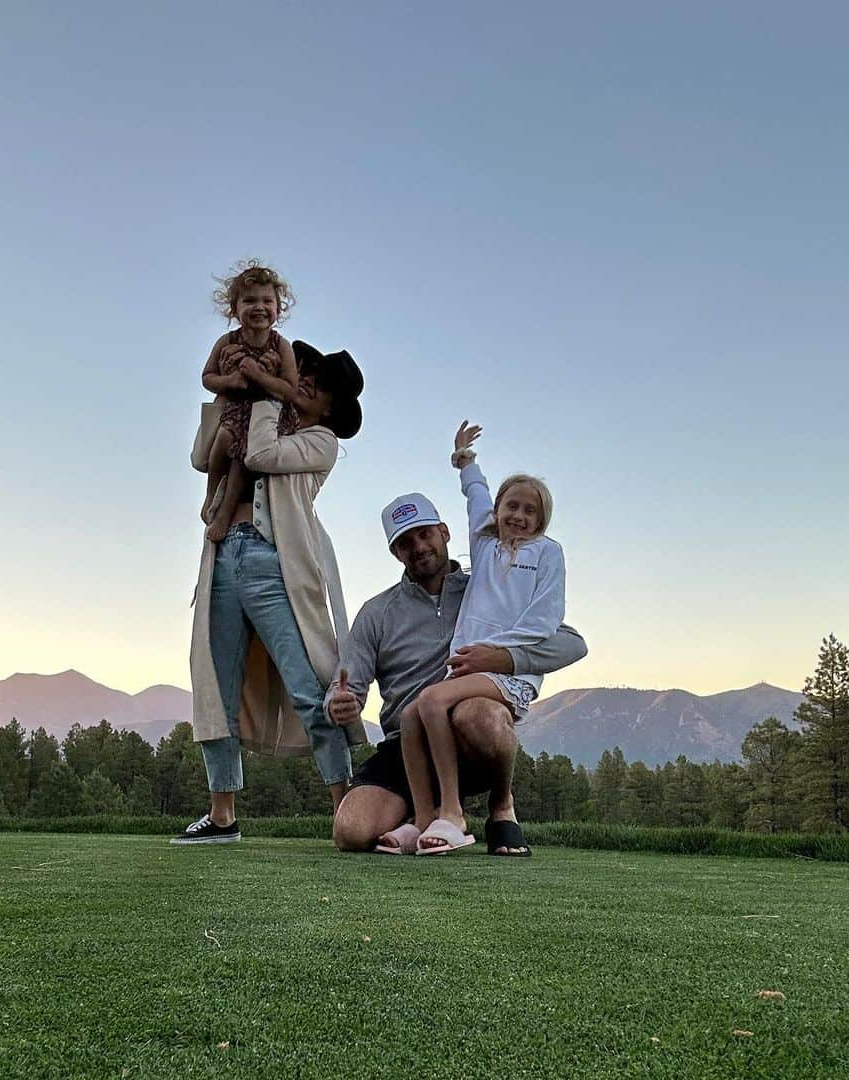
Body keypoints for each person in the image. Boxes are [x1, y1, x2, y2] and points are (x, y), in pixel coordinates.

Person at [173, 340, 368, 845]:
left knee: (309, 685)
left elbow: (259, 454)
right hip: (221, 560)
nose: (306, 381)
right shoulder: (261, 413)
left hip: (271, 563)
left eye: (319, 384)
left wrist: (263, 391)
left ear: (330, 407)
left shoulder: (320, 441)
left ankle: (347, 811)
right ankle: (222, 816)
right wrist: (232, 392)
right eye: (305, 372)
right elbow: (201, 456)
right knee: (217, 685)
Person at [327, 486, 586, 857]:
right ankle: (423, 815)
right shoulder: (377, 611)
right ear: (394, 552)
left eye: (425, 533)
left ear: (444, 532)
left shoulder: (486, 587)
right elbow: (346, 686)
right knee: (351, 832)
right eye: (405, 542)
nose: (418, 547)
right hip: (405, 745)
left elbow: (571, 643)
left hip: (466, 740)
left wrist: (499, 660)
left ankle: (501, 809)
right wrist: (339, 704)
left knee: (483, 715)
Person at [401, 421, 565, 854]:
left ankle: (452, 813)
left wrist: (498, 651)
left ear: (542, 518)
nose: (519, 516)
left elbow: (546, 619)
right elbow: (475, 494)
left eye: (531, 511)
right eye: (512, 506)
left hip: (508, 669)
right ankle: (421, 821)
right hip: (467, 663)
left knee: (433, 701)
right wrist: (465, 461)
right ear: (499, 509)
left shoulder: (548, 553)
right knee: (409, 718)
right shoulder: (484, 542)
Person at [200, 261, 300, 544]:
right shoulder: (227, 340)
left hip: (267, 414)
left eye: (267, 301)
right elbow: (207, 377)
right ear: (235, 309)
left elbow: (290, 390)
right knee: (222, 440)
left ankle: (224, 513)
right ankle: (212, 493)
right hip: (235, 409)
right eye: (250, 301)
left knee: (242, 458)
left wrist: (258, 376)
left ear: (278, 310)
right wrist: (230, 381)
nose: (259, 307)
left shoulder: (281, 345)